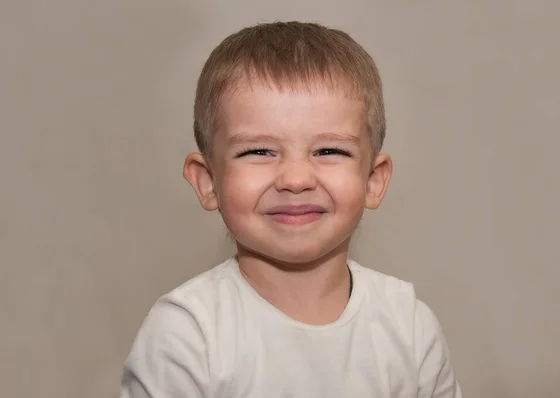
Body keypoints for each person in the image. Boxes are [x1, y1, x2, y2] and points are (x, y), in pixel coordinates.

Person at [119, 21, 462, 398]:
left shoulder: (409, 327)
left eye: (329, 151)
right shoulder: (188, 334)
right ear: (207, 181)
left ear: (373, 181)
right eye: (258, 151)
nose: (296, 179)